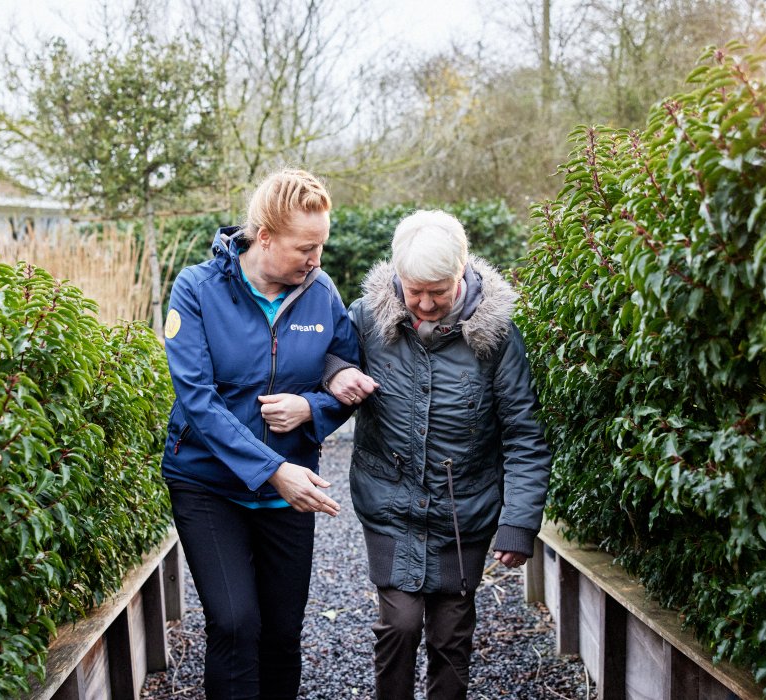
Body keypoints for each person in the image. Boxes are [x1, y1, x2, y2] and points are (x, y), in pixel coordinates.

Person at [326, 209, 552, 700]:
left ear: (462, 273)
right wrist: (335, 373)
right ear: (396, 278)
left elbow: (523, 434)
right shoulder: (365, 318)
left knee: (451, 635)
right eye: (414, 290)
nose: (425, 304)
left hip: (463, 512)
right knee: (401, 625)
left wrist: (518, 522)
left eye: (439, 290)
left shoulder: (498, 337)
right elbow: (326, 358)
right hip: (390, 504)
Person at [159, 168, 359, 699]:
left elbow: (346, 376)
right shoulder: (196, 290)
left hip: (288, 495)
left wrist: (310, 409)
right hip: (208, 484)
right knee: (233, 623)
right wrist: (273, 470)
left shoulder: (322, 293)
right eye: (304, 248)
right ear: (263, 236)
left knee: (281, 634)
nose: (316, 260)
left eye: (321, 246)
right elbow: (198, 401)